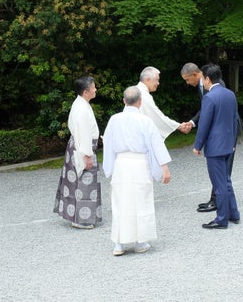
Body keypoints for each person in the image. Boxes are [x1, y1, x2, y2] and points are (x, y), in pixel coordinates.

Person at [103, 86, 172, 256]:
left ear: (124, 101)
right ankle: (141, 242)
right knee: (142, 201)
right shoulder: (145, 120)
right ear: (140, 102)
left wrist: (109, 167)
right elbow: (156, 144)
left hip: (121, 163)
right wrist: (164, 168)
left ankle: (118, 244)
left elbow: (108, 144)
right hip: (139, 164)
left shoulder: (114, 119)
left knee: (120, 202)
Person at [181, 62, 239, 214]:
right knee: (223, 174)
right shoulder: (208, 86)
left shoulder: (216, 84)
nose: (187, 83)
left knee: (222, 172)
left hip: (224, 132)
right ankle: (231, 211)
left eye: (187, 79)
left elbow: (215, 110)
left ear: (196, 75)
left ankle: (219, 205)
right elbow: (205, 109)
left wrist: (198, 145)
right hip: (224, 132)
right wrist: (193, 122)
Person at [53, 75, 103, 229]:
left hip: (78, 145)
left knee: (75, 182)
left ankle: (76, 217)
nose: (95, 89)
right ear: (86, 91)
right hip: (82, 148)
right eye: (93, 87)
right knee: (83, 182)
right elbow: (84, 134)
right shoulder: (81, 108)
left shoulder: (80, 104)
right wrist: (87, 155)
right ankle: (81, 219)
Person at [136, 66, 192, 139]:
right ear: (147, 80)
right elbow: (157, 116)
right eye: (156, 80)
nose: (158, 83)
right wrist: (179, 126)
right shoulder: (143, 95)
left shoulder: (136, 90)